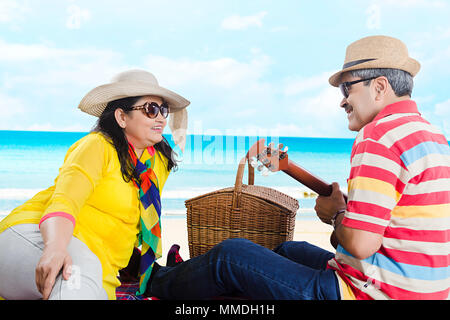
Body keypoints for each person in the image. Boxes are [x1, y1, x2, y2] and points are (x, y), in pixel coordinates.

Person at [145, 35, 450, 300]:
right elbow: (391, 224)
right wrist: (296, 174)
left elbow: (359, 242)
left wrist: (337, 215)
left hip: (368, 291)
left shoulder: (379, 135)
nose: (341, 102)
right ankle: (191, 280)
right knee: (290, 251)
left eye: (347, 89)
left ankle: (152, 282)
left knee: (231, 255)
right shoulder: (432, 136)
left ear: (380, 87)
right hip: (411, 287)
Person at [0, 69, 190, 300]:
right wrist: (56, 247)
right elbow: (65, 201)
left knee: (87, 282)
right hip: (40, 237)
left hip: (101, 271)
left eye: (164, 110)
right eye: (150, 109)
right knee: (79, 271)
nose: (161, 118)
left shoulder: (157, 164)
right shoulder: (97, 146)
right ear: (121, 117)